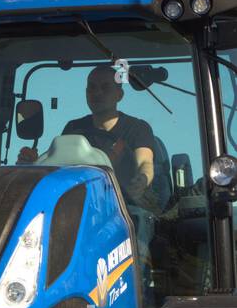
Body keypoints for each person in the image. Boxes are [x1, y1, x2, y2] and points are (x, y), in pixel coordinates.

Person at [19, 64, 157, 206]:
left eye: (105, 87)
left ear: (119, 95)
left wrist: (143, 179)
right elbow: (58, 167)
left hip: (125, 207)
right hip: (79, 205)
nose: (97, 93)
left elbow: (145, 162)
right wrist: (33, 165)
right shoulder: (73, 128)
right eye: (92, 87)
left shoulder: (137, 128)